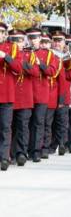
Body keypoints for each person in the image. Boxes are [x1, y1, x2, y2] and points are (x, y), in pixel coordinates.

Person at [27, 28, 59, 162]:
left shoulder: (49, 54)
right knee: (26, 123)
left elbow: (52, 71)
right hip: (27, 93)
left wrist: (41, 65)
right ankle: (25, 150)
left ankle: (36, 151)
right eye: (31, 38)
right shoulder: (25, 53)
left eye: (35, 38)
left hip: (41, 94)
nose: (33, 41)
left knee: (39, 123)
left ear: (39, 39)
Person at [9, 30, 39, 166]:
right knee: (9, 126)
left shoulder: (29, 54)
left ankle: (21, 153)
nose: (18, 43)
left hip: (25, 97)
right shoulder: (8, 54)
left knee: (23, 126)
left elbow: (35, 72)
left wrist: (24, 67)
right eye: (15, 40)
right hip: (11, 95)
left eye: (20, 40)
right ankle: (9, 153)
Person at [0, 23, 22, 170]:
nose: (0, 34)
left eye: (2, 32)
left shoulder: (12, 48)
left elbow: (19, 68)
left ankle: (4, 157)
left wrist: (5, 56)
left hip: (6, 94)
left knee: (5, 127)